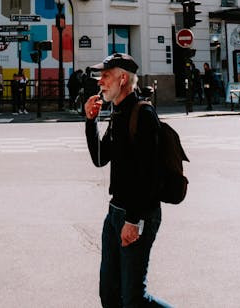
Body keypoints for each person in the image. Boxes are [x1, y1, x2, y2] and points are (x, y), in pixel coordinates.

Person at [85, 54, 173, 308]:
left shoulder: (143, 114)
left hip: (138, 213)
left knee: (134, 298)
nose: (100, 82)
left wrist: (132, 220)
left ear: (122, 79)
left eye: (106, 76)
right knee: (109, 295)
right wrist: (90, 122)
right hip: (115, 213)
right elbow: (100, 159)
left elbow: (148, 176)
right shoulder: (119, 113)